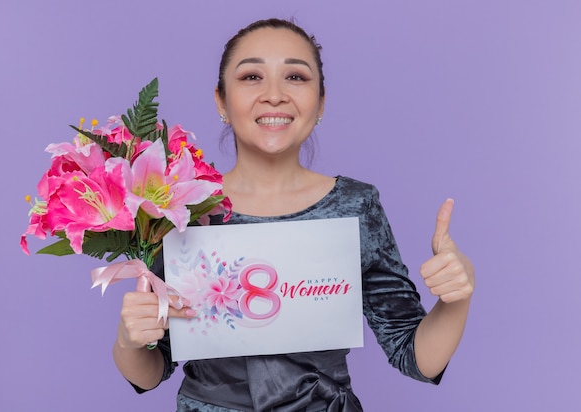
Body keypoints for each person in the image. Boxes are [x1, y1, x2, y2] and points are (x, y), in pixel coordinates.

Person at [111, 18, 475, 411]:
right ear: (221, 101)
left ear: (320, 102)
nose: (274, 95)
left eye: (296, 77)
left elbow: (416, 356)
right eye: (252, 76)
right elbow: (151, 369)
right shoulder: (178, 205)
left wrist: (457, 299)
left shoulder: (356, 205)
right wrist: (129, 339)